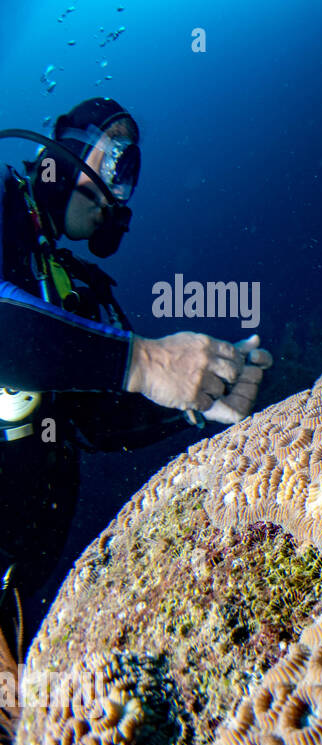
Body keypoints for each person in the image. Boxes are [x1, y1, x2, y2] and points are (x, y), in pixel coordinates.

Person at [0, 97, 272, 663]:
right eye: (114, 161)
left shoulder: (71, 287)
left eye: (130, 173)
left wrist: (197, 402)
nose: (119, 189)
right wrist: (147, 361)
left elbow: (100, 422)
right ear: (66, 151)